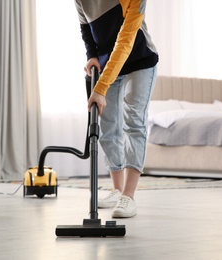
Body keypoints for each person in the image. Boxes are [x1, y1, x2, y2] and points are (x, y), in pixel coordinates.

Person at [75, 0, 159, 218]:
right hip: (106, 63)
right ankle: (117, 190)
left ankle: (128, 196)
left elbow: (125, 42)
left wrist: (101, 87)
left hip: (139, 59)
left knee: (134, 121)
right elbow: (85, 25)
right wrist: (91, 55)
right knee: (108, 124)